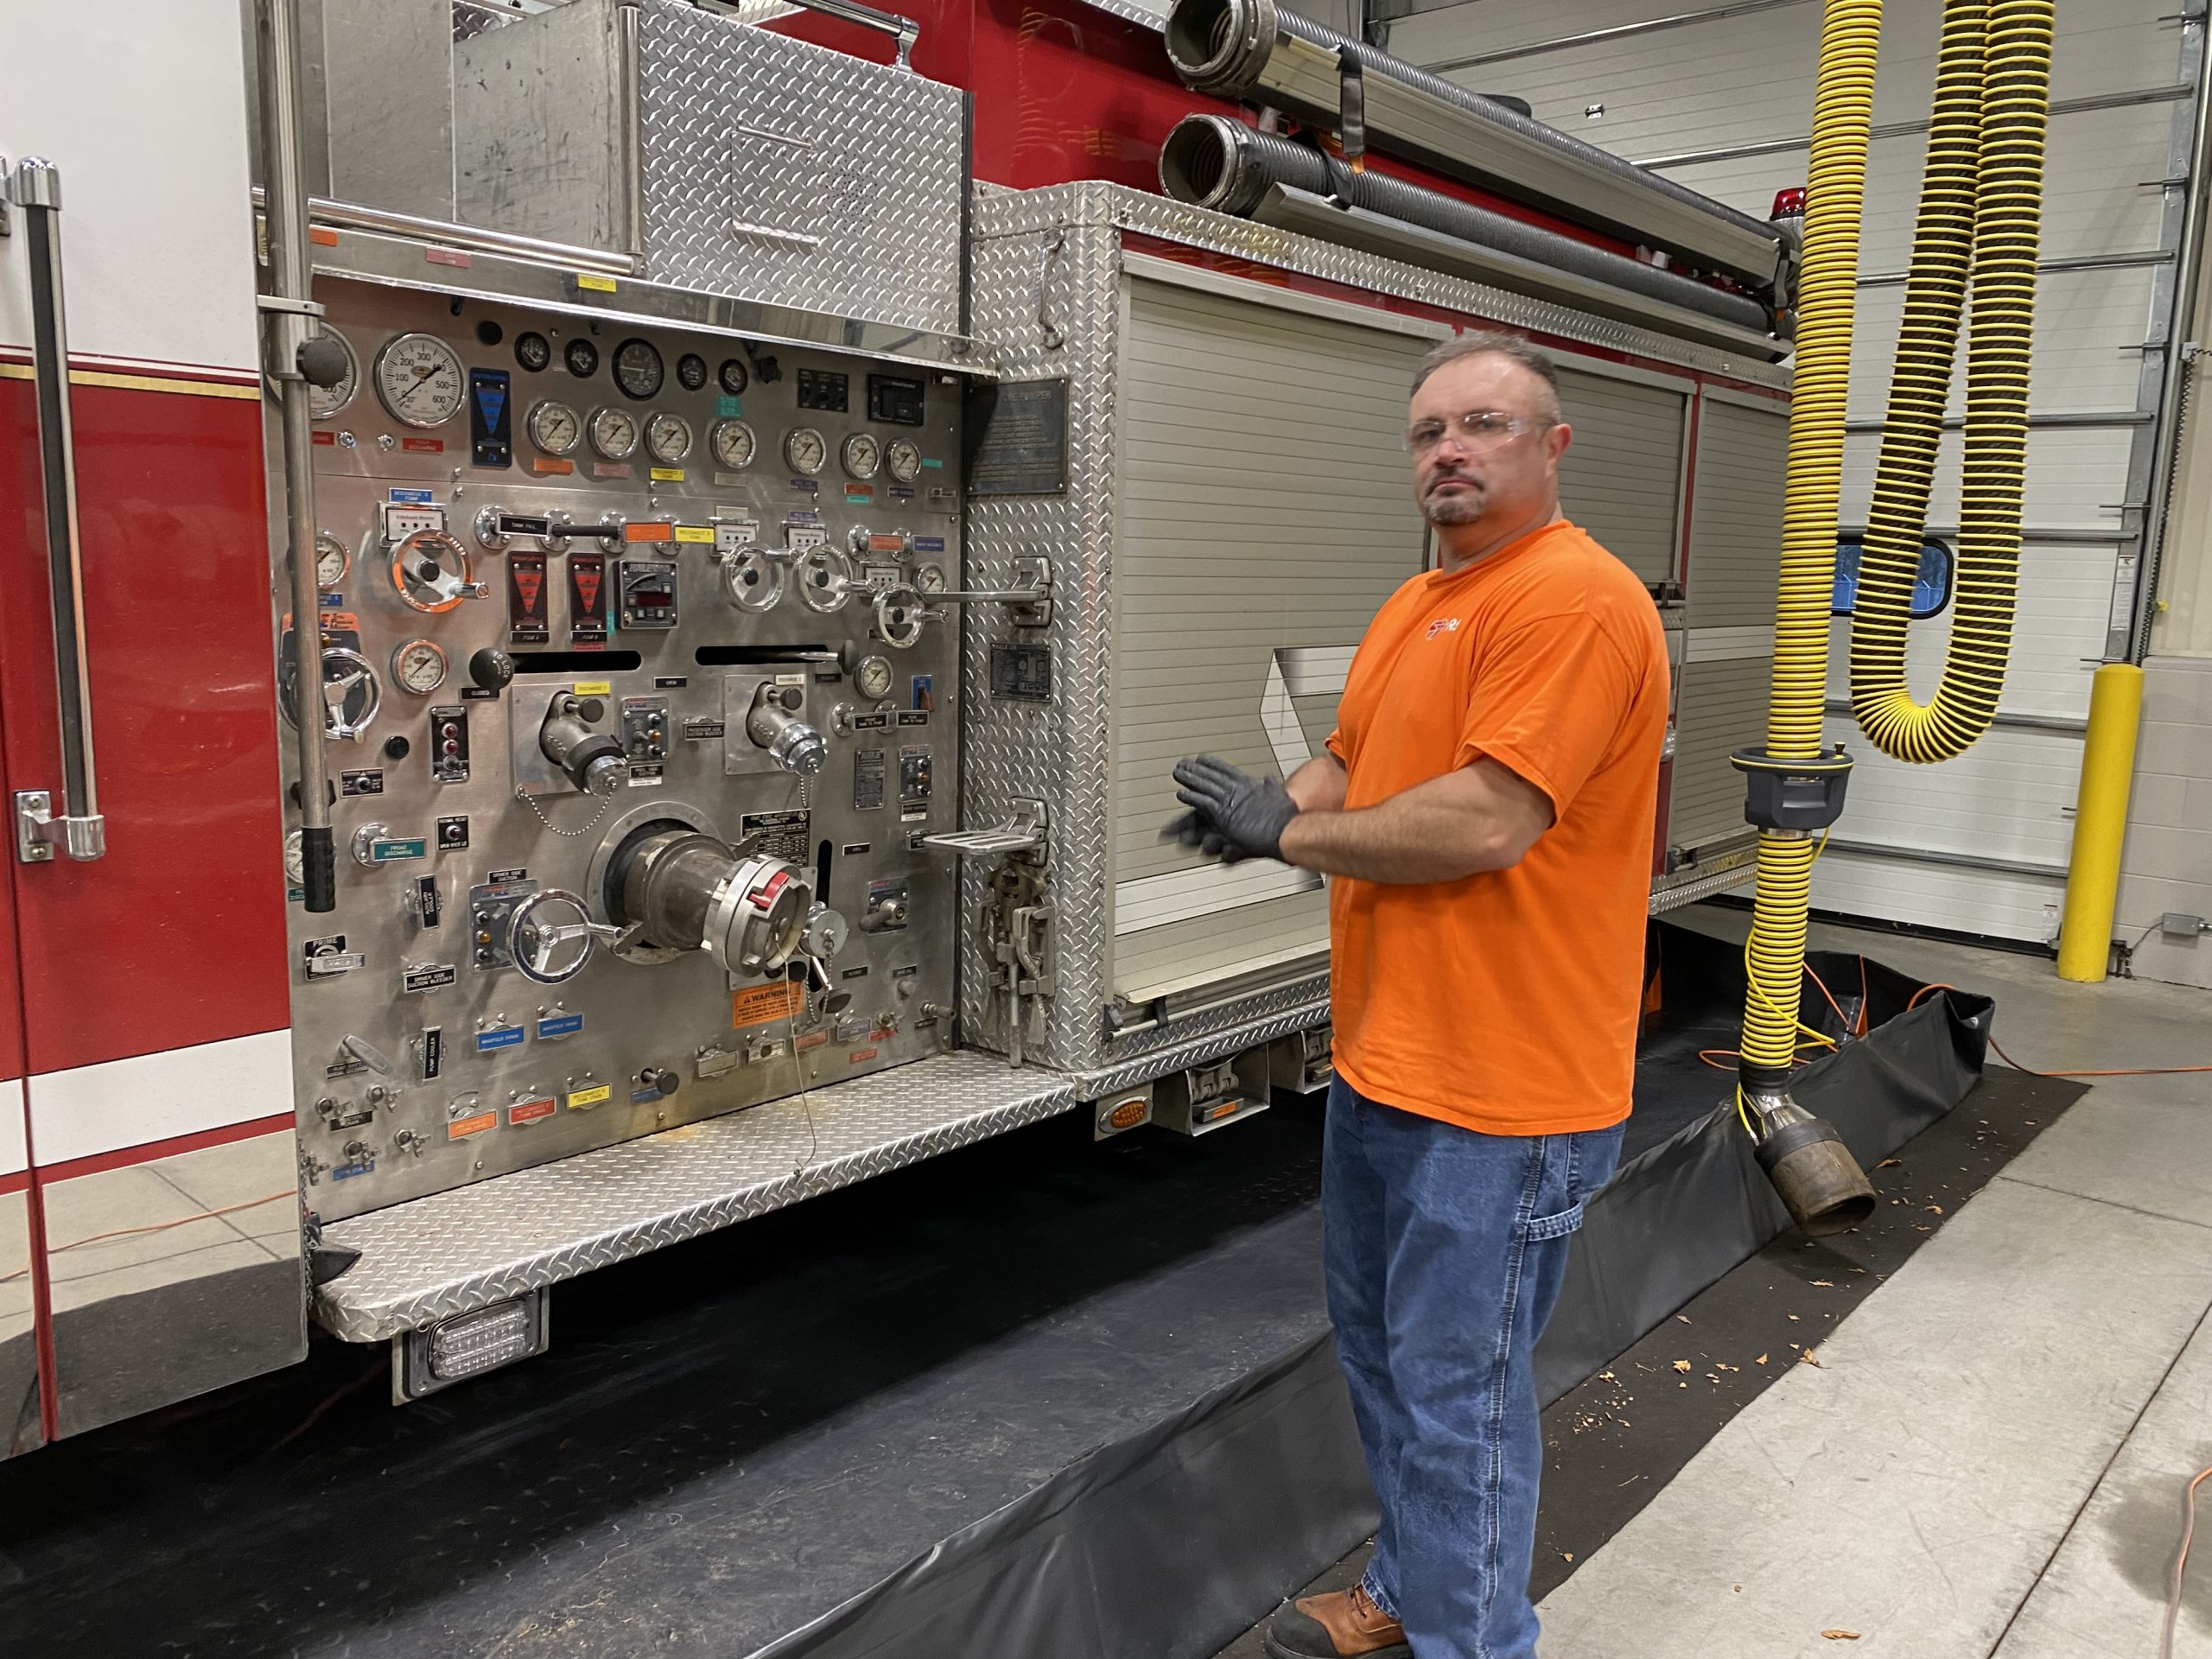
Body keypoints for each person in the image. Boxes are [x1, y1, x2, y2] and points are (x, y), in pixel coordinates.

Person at [1165, 332, 1669, 1659]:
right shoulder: (1422, 600)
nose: (1450, 449)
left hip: (1506, 1093)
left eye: (1485, 424)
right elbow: (1348, 764)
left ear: (1551, 447)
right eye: (1429, 430)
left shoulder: (1572, 601)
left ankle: (1472, 1643)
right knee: (1392, 1365)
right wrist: (1270, 810)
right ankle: (1413, 1592)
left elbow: (1487, 821)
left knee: (1462, 1398)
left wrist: (1289, 839)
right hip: (1392, 1062)